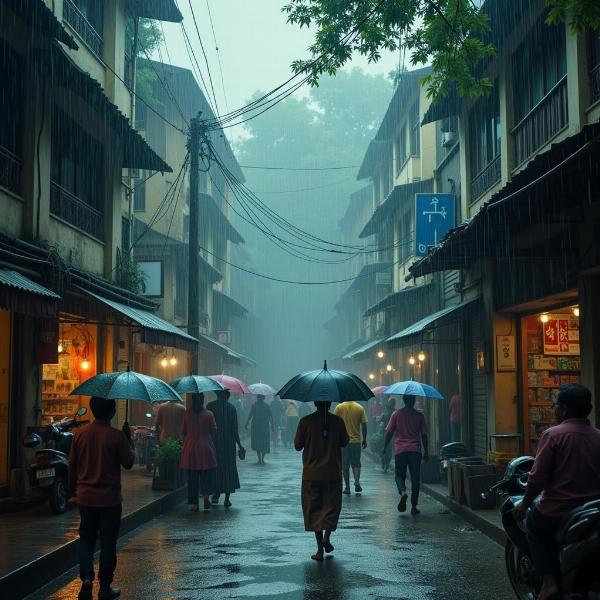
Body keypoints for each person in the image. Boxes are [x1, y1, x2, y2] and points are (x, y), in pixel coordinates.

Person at [512, 384, 600, 600]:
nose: (554, 409)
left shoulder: (553, 435)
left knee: (533, 527)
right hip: (593, 509)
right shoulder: (597, 435)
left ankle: (550, 582)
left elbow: (537, 478)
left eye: (556, 405)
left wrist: (524, 504)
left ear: (563, 409)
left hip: (558, 510)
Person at [68, 397, 135, 600]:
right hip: (110, 500)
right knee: (108, 543)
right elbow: (129, 463)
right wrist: (128, 439)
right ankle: (105, 587)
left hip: (86, 498)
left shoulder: (79, 434)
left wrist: (73, 491)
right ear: (112, 411)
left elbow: (72, 465)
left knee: (86, 538)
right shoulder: (116, 437)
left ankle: (87, 578)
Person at [294, 400, 349, 561]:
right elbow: (345, 442)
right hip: (333, 472)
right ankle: (327, 536)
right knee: (331, 507)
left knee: (314, 510)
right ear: (330, 404)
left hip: (311, 474)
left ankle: (319, 550)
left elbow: (297, 446)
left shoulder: (305, 422)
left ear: (315, 404)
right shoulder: (338, 422)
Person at [382, 395, 429, 515]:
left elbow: (389, 432)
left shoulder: (396, 414)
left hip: (400, 450)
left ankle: (403, 492)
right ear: (413, 401)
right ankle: (414, 506)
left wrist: (385, 447)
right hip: (415, 451)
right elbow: (424, 435)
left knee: (399, 475)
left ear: (403, 401)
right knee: (415, 478)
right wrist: (426, 452)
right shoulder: (420, 416)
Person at [180, 393, 218, 512]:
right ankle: (206, 497)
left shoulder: (186, 414)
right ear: (202, 401)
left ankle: (194, 504)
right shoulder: (209, 414)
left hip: (190, 448)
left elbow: (184, 431)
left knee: (192, 477)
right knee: (206, 475)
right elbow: (213, 430)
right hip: (206, 447)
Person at [207, 389, 245, 507]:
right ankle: (227, 498)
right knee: (228, 469)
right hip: (228, 444)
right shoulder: (232, 408)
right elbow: (235, 429)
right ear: (228, 396)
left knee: (215, 468)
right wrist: (239, 444)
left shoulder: (210, 406)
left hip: (214, 443)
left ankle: (216, 494)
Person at [333, 399, 368, 494]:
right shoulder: (359, 408)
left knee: (345, 465)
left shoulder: (339, 407)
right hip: (356, 441)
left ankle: (347, 487)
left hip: (343, 441)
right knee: (356, 463)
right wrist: (364, 439)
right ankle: (356, 482)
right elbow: (364, 424)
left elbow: (334, 423)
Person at [245, 394, 274, 464]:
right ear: (263, 398)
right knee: (264, 442)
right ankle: (262, 458)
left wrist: (247, 423)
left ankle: (259, 458)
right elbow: (270, 417)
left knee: (257, 442)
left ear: (257, 398)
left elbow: (250, 415)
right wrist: (272, 425)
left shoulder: (254, 405)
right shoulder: (267, 406)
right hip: (264, 426)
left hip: (256, 426)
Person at [379, 397, 396, 473]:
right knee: (388, 451)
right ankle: (386, 465)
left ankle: (384, 464)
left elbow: (380, 421)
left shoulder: (387, 414)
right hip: (391, 435)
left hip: (387, 434)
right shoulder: (396, 413)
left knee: (384, 449)